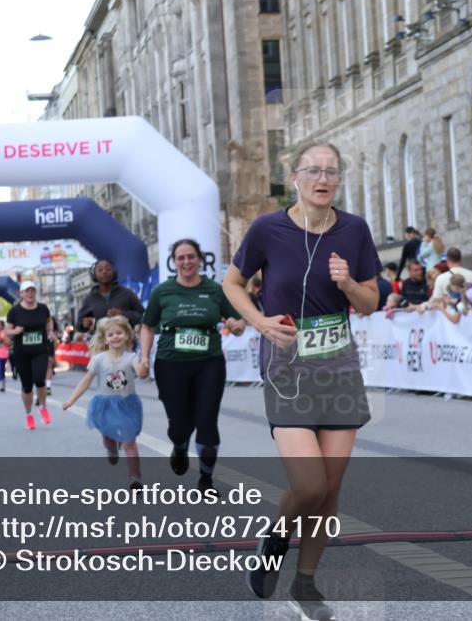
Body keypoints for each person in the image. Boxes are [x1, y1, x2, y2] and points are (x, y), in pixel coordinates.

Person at [221, 140, 380, 619]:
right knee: (308, 486)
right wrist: (260, 321)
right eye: (313, 170)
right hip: (287, 367)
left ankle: (305, 584)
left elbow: (371, 302)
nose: (322, 178)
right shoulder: (268, 229)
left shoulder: (354, 230)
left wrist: (348, 284)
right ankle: (273, 543)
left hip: (338, 368)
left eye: (331, 171)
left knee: (330, 489)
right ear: (294, 178)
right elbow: (231, 283)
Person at [139, 238, 246, 492]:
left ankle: (206, 479)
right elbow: (147, 325)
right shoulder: (162, 292)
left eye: (191, 257)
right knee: (179, 423)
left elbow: (237, 321)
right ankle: (179, 444)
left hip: (209, 362)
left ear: (199, 260)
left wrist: (238, 325)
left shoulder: (215, 290)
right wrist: (144, 358)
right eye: (181, 258)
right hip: (170, 363)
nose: (186, 262)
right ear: (174, 262)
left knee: (207, 419)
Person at [63, 315, 144, 489]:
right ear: (105, 339)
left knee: (130, 441)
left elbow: (140, 371)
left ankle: (135, 478)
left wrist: (143, 369)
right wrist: (71, 400)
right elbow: (86, 381)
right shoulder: (99, 359)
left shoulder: (131, 357)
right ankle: (111, 448)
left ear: (127, 335)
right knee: (108, 436)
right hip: (105, 405)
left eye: (119, 333)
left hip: (127, 404)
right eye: (111, 334)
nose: (115, 336)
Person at [6, 281, 56, 429]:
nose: (30, 294)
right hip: (22, 353)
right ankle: (29, 414)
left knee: (40, 379)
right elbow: (7, 331)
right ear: (21, 293)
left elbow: (49, 321)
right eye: (27, 291)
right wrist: (15, 331)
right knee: (27, 387)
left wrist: (50, 331)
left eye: (32, 291)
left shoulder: (43, 308)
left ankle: (43, 407)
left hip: (40, 350)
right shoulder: (15, 311)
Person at [76, 259, 144, 333]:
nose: (104, 272)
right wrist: (84, 324)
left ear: (114, 272)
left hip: (126, 342)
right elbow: (79, 326)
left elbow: (143, 316)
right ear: (94, 275)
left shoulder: (127, 293)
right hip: (101, 343)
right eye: (100, 270)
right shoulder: (90, 298)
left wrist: (123, 314)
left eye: (108, 269)